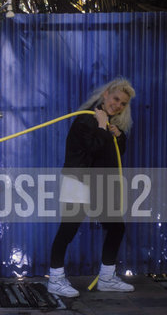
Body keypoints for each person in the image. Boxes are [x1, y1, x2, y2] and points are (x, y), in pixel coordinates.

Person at [47, 78, 136, 298]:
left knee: (116, 228)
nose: (118, 105)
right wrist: (101, 126)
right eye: (116, 99)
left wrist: (118, 135)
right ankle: (55, 280)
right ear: (106, 94)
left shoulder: (108, 121)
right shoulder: (86, 118)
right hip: (77, 181)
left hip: (99, 184)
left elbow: (115, 151)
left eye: (123, 103)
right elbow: (94, 148)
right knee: (67, 230)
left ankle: (106, 278)